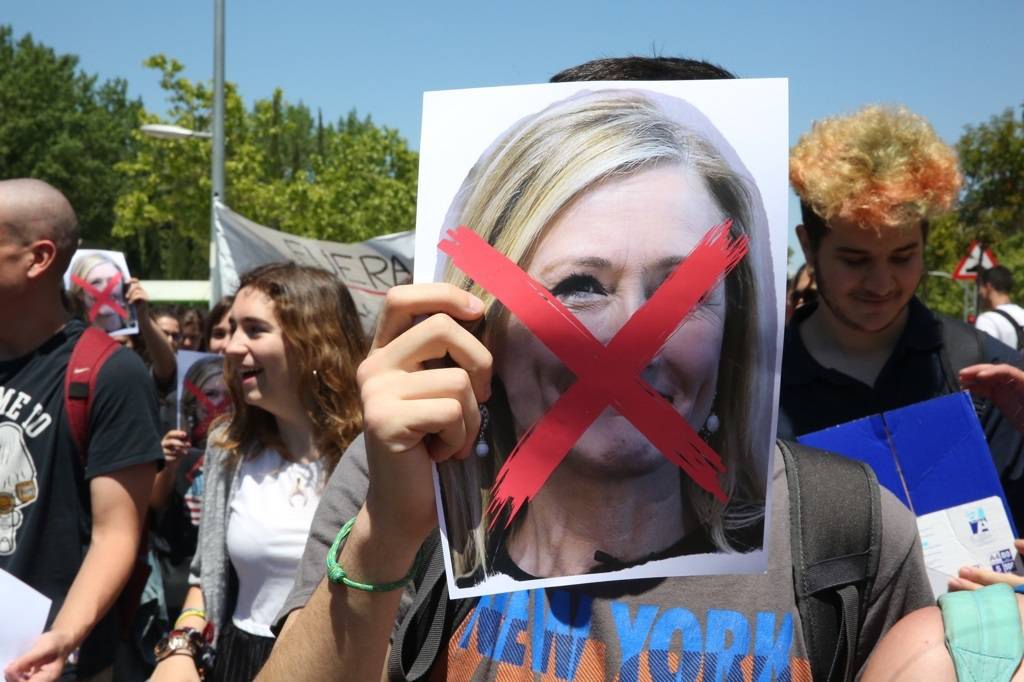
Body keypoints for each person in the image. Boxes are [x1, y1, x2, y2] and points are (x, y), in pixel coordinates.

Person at [261, 57, 932, 682]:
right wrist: (387, 534)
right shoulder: (396, 477)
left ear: (737, 317)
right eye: (580, 284)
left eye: (684, 290)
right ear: (485, 305)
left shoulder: (852, 532)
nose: (634, 339)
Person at [781, 105, 1024, 529]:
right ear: (808, 246)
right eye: (855, 259)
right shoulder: (754, 391)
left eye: (902, 256)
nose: (881, 284)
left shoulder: (993, 377)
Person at [150, 263, 367, 682]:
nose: (230, 347)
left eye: (254, 330)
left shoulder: (376, 455)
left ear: (313, 340)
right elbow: (205, 578)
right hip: (237, 661)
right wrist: (180, 647)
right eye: (231, 330)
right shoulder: (227, 447)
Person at [0, 178, 163, 680]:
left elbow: (117, 534)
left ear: (38, 257)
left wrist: (63, 639)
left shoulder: (108, 373)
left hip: (44, 664)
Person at [66, 251, 133, 335]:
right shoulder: (73, 340)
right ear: (80, 293)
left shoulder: (143, 332)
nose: (106, 288)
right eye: (95, 282)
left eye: (113, 281)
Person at [976, 266, 1024, 352]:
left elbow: (985, 356)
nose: (980, 292)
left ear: (989, 286)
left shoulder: (987, 320)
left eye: (981, 287)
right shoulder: (1022, 313)